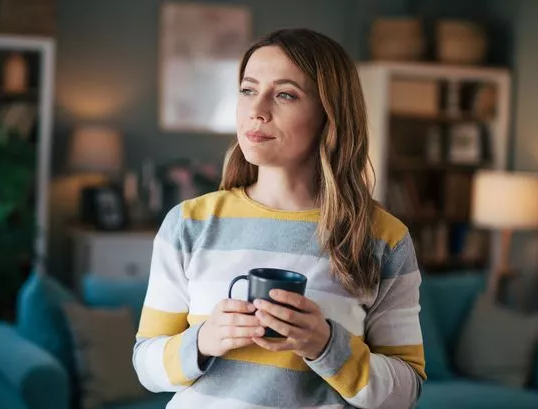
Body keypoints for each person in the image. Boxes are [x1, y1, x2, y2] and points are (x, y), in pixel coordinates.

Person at [133, 28, 425, 409]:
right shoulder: (189, 223)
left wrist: (325, 345)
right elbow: (146, 366)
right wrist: (203, 341)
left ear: (329, 115)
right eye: (248, 89)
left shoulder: (383, 238)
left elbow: (405, 392)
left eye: (285, 94)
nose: (258, 109)